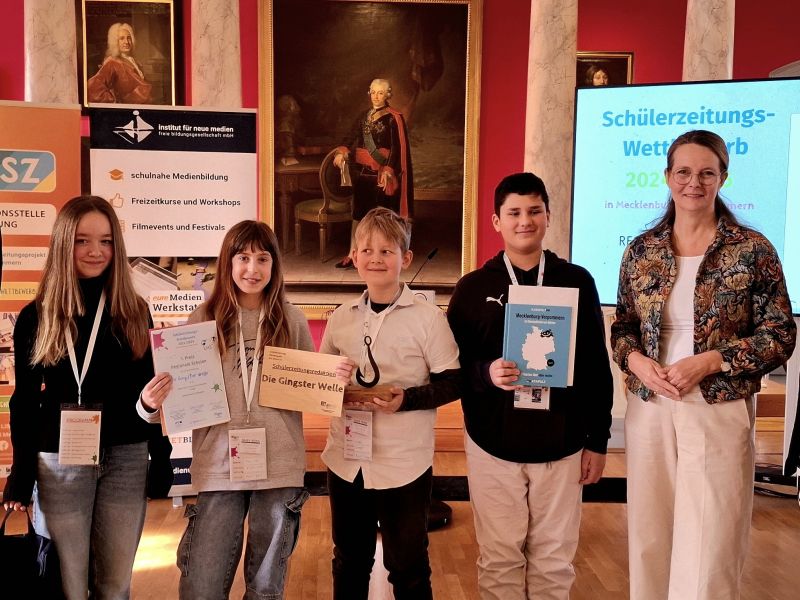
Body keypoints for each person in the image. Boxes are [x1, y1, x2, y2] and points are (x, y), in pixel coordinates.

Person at [611, 129, 796, 600]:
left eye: (706, 173)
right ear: (668, 176)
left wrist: (712, 361)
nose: (694, 182)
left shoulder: (752, 249)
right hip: (650, 403)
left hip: (717, 403)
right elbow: (622, 326)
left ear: (723, 177)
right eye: (684, 172)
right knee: (651, 531)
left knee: (711, 535)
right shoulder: (642, 249)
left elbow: (780, 334)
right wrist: (636, 362)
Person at [139, 220, 352, 599]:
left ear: (274, 266)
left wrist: (335, 380)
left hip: (278, 467)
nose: (252, 269)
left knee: (266, 587)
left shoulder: (292, 320)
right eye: (243, 258)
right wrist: (155, 404)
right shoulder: (202, 320)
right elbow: (180, 402)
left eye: (262, 259)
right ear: (228, 263)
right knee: (201, 585)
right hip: (219, 466)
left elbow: (313, 390)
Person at [446, 172, 613, 600]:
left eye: (534, 211)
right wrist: (487, 373)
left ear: (548, 217)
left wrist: (598, 440)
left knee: (554, 558)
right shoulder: (471, 289)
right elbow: (451, 370)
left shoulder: (578, 281)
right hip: (492, 444)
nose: (525, 220)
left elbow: (596, 365)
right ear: (496, 221)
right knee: (499, 557)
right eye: (515, 212)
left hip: (563, 442)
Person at [2, 195, 173, 599]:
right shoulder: (38, 316)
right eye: (82, 240)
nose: (96, 251)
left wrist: (162, 458)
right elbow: (24, 403)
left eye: (107, 241)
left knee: (115, 584)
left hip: (125, 460)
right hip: (60, 463)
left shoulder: (134, 311)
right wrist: (20, 474)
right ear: (64, 243)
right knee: (68, 585)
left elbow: (150, 396)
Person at [320, 207, 461, 599]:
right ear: (353, 255)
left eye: (386, 251)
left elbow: (453, 383)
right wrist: (330, 383)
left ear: (406, 258)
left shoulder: (429, 318)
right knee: (349, 561)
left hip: (405, 464)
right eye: (366, 250)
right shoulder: (340, 319)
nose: (376, 258)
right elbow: (320, 385)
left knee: (408, 568)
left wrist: (406, 400)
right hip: (346, 462)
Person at [332, 79, 414, 269]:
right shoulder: (363, 116)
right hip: (362, 175)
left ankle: (385, 256)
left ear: (388, 95)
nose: (376, 97)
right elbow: (349, 136)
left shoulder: (394, 118)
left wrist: (388, 170)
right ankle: (353, 255)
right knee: (358, 216)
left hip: (382, 177)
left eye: (380, 93)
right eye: (373, 92)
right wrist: (342, 150)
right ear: (369, 93)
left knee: (384, 219)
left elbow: (396, 148)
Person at [87, 22, 153, 104]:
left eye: (129, 38)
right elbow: (92, 88)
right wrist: (116, 102)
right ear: (115, 42)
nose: (126, 42)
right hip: (127, 111)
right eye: (122, 38)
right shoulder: (112, 62)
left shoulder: (135, 62)